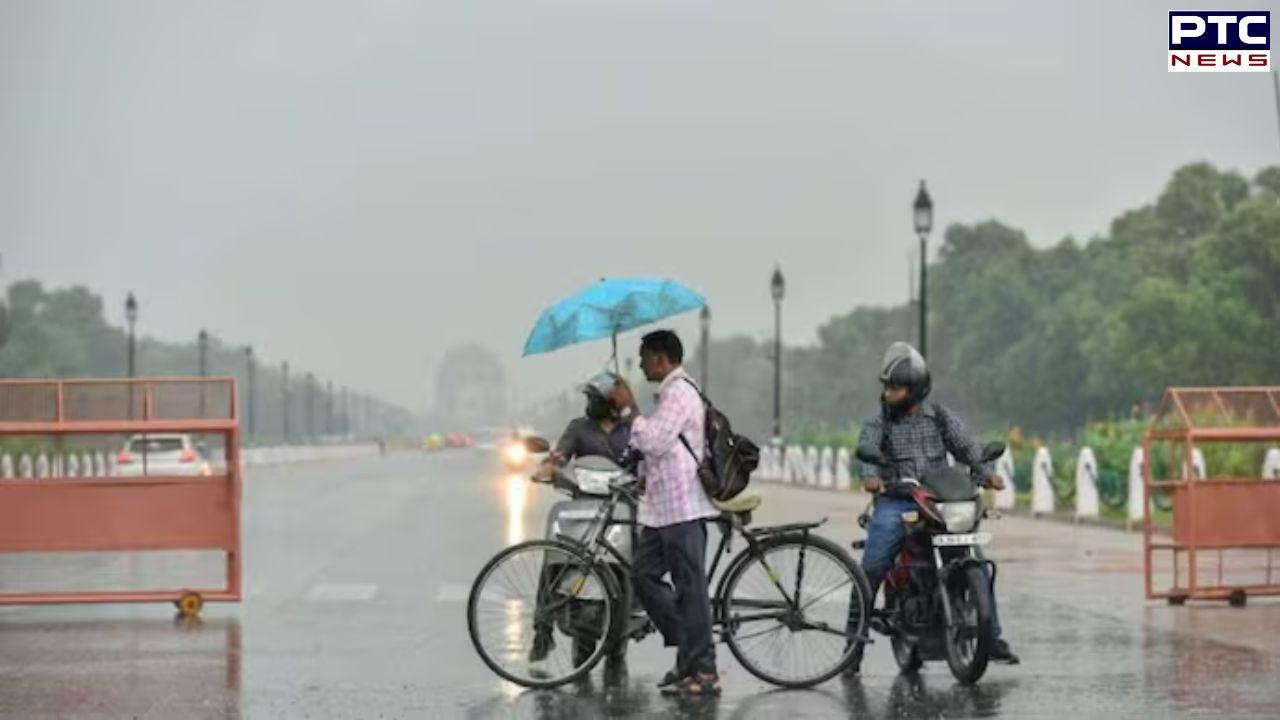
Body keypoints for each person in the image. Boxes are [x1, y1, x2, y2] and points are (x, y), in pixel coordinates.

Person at [845, 341, 1019, 676]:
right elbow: (867, 446)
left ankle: (991, 637)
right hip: (897, 501)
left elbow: (967, 448)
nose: (887, 393)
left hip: (940, 501)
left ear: (914, 390)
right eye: (887, 387)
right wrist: (870, 475)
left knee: (976, 560)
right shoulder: (880, 420)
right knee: (872, 568)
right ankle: (853, 645)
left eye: (895, 388)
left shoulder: (939, 417)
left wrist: (986, 473)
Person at [611, 329, 721, 697]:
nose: (641, 365)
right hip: (661, 509)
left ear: (661, 359)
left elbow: (655, 441)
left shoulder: (679, 393)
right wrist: (642, 471)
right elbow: (658, 446)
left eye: (644, 358)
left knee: (691, 589)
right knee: (643, 575)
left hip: (682, 506)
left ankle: (703, 668)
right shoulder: (667, 395)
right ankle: (689, 650)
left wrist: (630, 409)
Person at [529, 372, 633, 669]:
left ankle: (623, 629)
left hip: (621, 512)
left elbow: (645, 464)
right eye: (589, 398)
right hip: (582, 512)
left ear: (613, 401)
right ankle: (543, 629)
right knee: (554, 563)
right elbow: (559, 456)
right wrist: (548, 467)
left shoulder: (633, 430)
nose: (591, 404)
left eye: (596, 398)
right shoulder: (579, 429)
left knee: (630, 570)